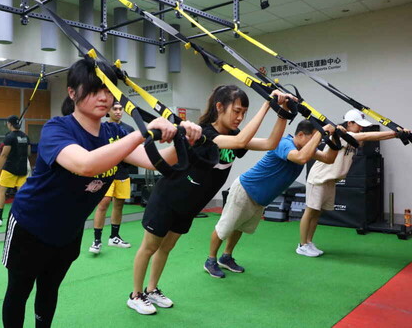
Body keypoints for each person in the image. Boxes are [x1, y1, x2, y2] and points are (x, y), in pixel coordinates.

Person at [0, 58, 201, 328]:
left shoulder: (115, 133)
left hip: (68, 231)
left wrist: (184, 139)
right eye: (94, 89)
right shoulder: (57, 128)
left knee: (50, 289)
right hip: (30, 225)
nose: (103, 97)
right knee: (19, 292)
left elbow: (159, 161)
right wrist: (142, 133)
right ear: (72, 93)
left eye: (108, 90)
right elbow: (85, 164)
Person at [127, 85, 297, 315]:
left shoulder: (235, 136)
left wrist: (282, 114)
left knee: (166, 248)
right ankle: (136, 295)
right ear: (219, 107)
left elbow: (269, 144)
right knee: (149, 247)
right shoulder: (205, 134)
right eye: (236, 111)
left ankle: (152, 289)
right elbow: (239, 142)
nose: (240, 117)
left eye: (243, 113)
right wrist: (268, 103)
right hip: (168, 197)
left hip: (189, 206)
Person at [205, 120, 337, 278]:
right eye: (313, 138)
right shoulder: (285, 144)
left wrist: (335, 138)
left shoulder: (305, 148)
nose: (315, 143)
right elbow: (301, 158)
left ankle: (226, 257)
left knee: (239, 227)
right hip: (246, 189)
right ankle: (210, 260)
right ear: (300, 135)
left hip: (259, 198)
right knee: (225, 227)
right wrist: (322, 133)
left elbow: (329, 159)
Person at [297, 109, 409, 257]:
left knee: (317, 213)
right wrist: (395, 134)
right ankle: (302, 245)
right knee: (310, 211)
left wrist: (399, 133)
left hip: (330, 180)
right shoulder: (342, 136)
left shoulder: (349, 137)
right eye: (358, 124)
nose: (361, 128)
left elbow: (362, 138)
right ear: (349, 123)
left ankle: (309, 242)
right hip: (319, 178)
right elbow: (366, 136)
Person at [90, 101, 135, 254]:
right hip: (106, 172)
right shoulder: (102, 129)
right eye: (114, 109)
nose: (118, 111)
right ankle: (96, 241)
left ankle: (114, 237)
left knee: (119, 205)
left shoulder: (129, 129)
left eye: (120, 109)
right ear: (108, 111)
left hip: (123, 173)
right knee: (103, 204)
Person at [0, 115, 30, 226]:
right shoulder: (25, 137)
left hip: (10, 169)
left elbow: (4, 155)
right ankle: (25, 217)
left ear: (9, 124)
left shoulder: (9, 137)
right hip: (22, 169)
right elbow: (28, 153)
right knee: (22, 194)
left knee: (1, 192)